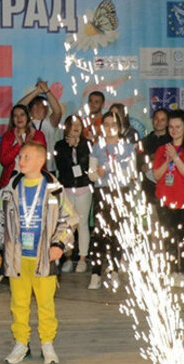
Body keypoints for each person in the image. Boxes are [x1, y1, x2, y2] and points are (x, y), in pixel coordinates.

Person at [0, 141, 78, 364]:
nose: (21, 161)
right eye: (20, 157)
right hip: (17, 258)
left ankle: (47, 343)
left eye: (27, 157)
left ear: (41, 161)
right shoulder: (10, 189)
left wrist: (59, 244)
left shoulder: (54, 190)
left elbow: (70, 220)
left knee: (45, 303)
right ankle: (21, 343)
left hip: (43, 259)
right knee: (18, 304)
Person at [88, 112, 139, 289]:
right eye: (106, 124)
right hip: (102, 192)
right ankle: (95, 272)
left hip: (121, 192)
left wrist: (111, 168)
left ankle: (114, 269)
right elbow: (91, 174)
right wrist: (98, 173)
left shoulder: (127, 147)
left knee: (118, 232)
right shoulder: (97, 146)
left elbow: (131, 173)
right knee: (99, 233)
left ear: (120, 127)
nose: (110, 128)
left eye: (113, 124)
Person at [153, 110, 184, 284]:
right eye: (171, 127)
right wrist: (167, 161)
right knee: (168, 237)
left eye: (178, 127)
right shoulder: (162, 149)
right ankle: (172, 270)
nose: (174, 130)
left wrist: (176, 157)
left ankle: (183, 271)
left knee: (183, 237)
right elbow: (157, 175)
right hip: (165, 199)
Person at [53, 115, 94, 274]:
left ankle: (82, 259)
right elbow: (63, 169)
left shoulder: (87, 145)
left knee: (82, 224)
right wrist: (70, 149)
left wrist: (77, 146)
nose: (75, 128)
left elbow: (85, 168)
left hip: (84, 189)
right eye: (72, 125)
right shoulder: (60, 146)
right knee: (68, 225)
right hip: (67, 189)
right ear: (67, 127)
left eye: (78, 124)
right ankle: (68, 258)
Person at [0, 104, 47, 189]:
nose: (19, 118)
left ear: (27, 117)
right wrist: (18, 145)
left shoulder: (38, 135)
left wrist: (27, 144)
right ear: (12, 119)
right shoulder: (7, 136)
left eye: (22, 115)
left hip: (34, 180)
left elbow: (41, 158)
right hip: (10, 181)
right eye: (15, 116)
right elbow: (4, 161)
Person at [18, 80, 64, 164]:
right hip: (27, 167)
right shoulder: (24, 122)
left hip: (47, 168)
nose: (47, 107)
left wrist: (46, 90)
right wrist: (37, 91)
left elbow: (58, 112)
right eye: (44, 104)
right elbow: (18, 108)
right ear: (35, 106)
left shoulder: (49, 123)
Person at [140, 108, 171, 205]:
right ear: (152, 121)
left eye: (163, 120)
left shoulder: (172, 141)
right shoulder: (144, 142)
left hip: (169, 188)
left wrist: (154, 161)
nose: (159, 122)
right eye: (156, 119)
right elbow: (140, 165)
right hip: (149, 189)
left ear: (167, 123)